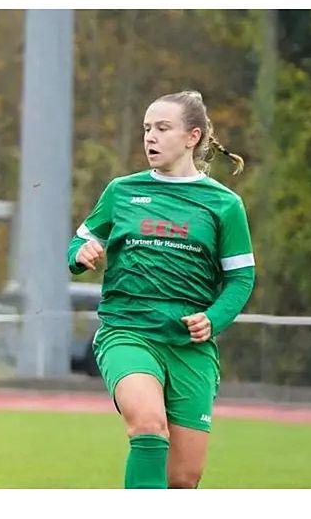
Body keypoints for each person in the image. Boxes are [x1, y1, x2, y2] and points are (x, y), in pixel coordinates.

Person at [67, 90, 255, 489]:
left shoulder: (224, 204)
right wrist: (80, 253)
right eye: (146, 128)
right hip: (128, 332)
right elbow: (78, 241)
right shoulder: (121, 191)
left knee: (183, 479)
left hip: (189, 345)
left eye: (162, 128)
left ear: (193, 136)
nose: (150, 137)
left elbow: (241, 277)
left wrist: (214, 318)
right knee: (149, 427)